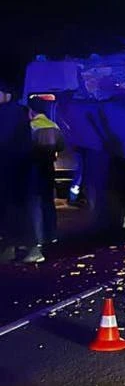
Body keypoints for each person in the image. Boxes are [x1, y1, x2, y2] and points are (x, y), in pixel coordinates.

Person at [21, 96, 64, 262]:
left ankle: (37, 240)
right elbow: (61, 146)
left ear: (31, 111)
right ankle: (52, 235)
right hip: (49, 168)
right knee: (48, 201)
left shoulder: (31, 126)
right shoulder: (54, 125)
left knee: (35, 204)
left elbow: (26, 147)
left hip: (34, 167)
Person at [0, 77, 31, 262]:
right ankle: (16, 245)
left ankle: (12, 247)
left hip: (11, 166)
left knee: (11, 209)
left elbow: (6, 140)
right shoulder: (17, 111)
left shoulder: (11, 112)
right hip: (15, 165)